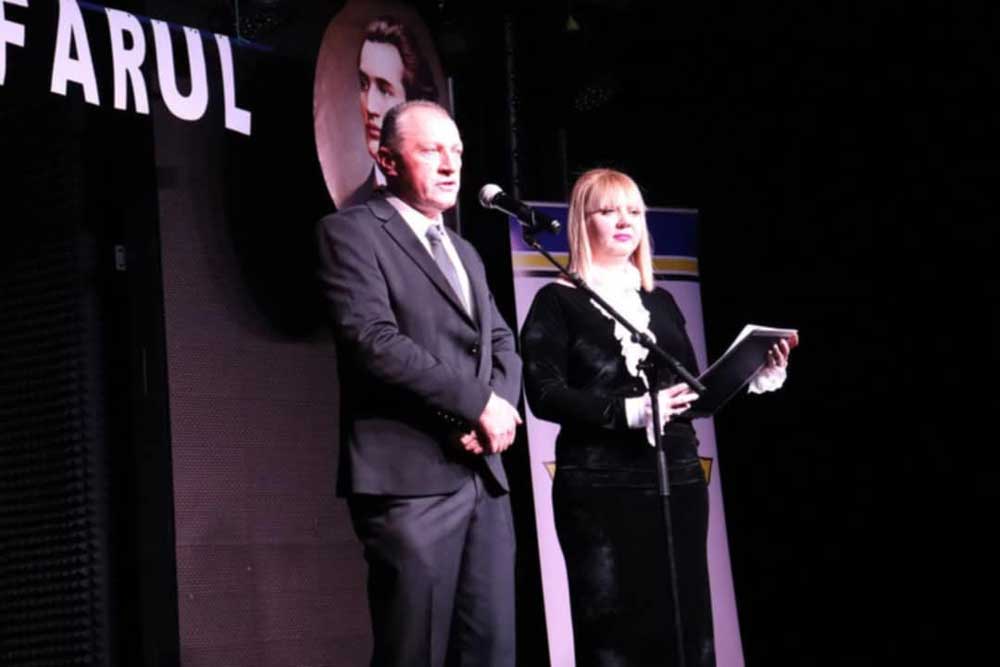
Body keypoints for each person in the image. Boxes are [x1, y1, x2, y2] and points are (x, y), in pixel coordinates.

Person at [520, 168, 791, 667]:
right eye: (608, 211)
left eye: (634, 211)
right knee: (613, 632)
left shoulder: (660, 301)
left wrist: (755, 372)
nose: (625, 221)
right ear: (582, 221)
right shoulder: (556, 300)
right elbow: (543, 393)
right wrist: (629, 411)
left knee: (687, 625)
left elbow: (690, 388)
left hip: (678, 478)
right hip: (600, 488)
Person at [317, 100, 522, 667]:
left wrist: (497, 409)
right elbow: (373, 341)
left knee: (493, 651)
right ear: (387, 160)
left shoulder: (465, 251)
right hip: (410, 482)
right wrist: (476, 403)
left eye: (456, 150)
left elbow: (501, 340)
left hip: (483, 479)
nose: (451, 164)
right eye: (431, 150)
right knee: (415, 652)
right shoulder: (351, 233)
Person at [342, 16, 440, 209]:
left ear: (413, 104)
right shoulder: (352, 207)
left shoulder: (445, 198)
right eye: (363, 84)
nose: (370, 106)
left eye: (385, 90)